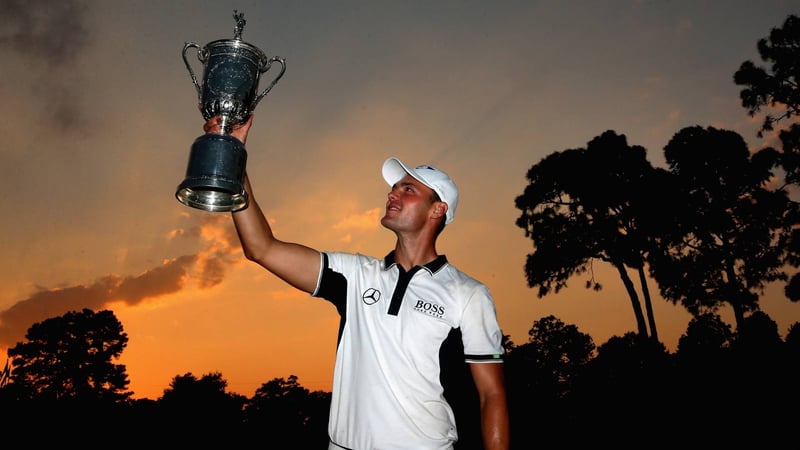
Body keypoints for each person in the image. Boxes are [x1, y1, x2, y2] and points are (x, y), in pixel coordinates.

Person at [205, 115, 510, 450]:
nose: (392, 195)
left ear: (438, 209)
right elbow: (261, 248)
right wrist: (232, 154)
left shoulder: (469, 295)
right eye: (393, 188)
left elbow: (491, 394)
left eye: (408, 189)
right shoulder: (355, 274)